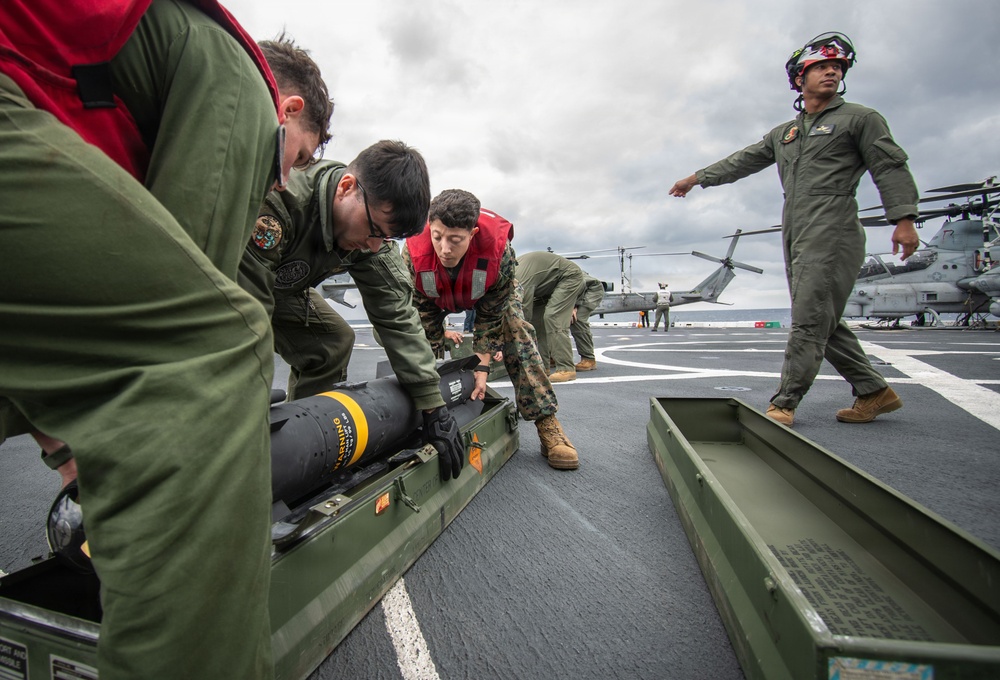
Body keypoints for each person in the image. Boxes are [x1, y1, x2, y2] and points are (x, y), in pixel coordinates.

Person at [0, 2, 330, 677]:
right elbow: (189, 300)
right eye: (298, 157)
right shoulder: (246, 87)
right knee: (220, 350)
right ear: (288, 110)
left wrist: (63, 449)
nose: (283, 180)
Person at [669, 32, 919, 428]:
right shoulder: (786, 132)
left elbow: (889, 167)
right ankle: (873, 390)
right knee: (820, 316)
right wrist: (697, 178)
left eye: (837, 68)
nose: (832, 72)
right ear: (799, 78)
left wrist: (903, 218)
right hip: (796, 226)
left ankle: (785, 401)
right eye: (822, 67)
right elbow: (743, 160)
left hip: (833, 224)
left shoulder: (859, 119)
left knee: (808, 319)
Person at [238, 140, 466, 481]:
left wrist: (432, 406)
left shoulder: (372, 235)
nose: (373, 246)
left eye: (385, 238)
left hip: (283, 289)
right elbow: (243, 310)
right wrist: (245, 391)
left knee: (332, 342)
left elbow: (398, 317)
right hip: (223, 287)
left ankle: (304, 448)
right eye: (374, 231)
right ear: (347, 187)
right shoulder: (279, 203)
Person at [404, 189, 580, 470]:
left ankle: (547, 423)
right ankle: (418, 413)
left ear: (472, 233)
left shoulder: (500, 253)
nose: (444, 249)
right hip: (435, 296)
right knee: (410, 332)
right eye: (437, 237)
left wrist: (482, 367)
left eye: (455, 240)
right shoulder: (413, 250)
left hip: (487, 296)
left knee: (516, 327)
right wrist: (431, 343)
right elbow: (418, 307)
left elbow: (491, 314)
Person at [515, 251, 587, 382]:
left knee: (553, 317)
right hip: (547, 285)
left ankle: (566, 368)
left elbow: (523, 312)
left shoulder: (520, 279)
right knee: (537, 323)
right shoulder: (511, 275)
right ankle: (542, 367)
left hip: (568, 277)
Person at [569, 274, 605, 371]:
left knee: (577, 319)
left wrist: (574, 306)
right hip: (573, 291)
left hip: (590, 289)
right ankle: (553, 357)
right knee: (550, 320)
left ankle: (588, 358)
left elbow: (573, 286)